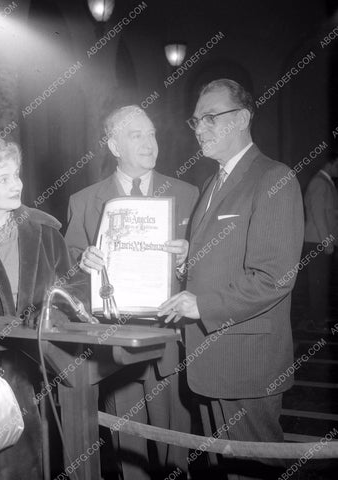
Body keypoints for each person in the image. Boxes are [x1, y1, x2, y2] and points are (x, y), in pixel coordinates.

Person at [158, 79, 304, 479]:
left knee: (254, 471)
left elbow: (275, 277)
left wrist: (201, 305)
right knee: (222, 471)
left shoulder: (273, 177)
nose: (199, 128)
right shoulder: (211, 183)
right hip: (209, 360)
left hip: (246, 365)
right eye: (195, 120)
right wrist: (189, 257)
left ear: (241, 118)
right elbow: (227, 258)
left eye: (210, 117)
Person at [65, 105, 199, 479]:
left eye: (152, 133)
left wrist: (188, 260)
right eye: (136, 135)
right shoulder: (84, 200)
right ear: (113, 145)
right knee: (129, 452)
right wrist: (82, 264)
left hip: (171, 338)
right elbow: (65, 275)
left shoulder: (189, 194)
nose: (149, 143)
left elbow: (210, 270)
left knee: (176, 448)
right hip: (115, 342)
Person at [0, 133, 89, 479]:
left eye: (16, 174)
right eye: (3, 178)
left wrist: (54, 315)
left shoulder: (45, 231)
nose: (16, 184)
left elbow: (74, 286)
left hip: (34, 376)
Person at [304, 155, 338, 331]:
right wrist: (327, 242)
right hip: (317, 242)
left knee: (321, 283)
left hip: (321, 241)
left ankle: (318, 319)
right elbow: (318, 215)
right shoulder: (319, 183)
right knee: (318, 284)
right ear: (330, 163)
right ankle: (317, 323)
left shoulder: (326, 182)